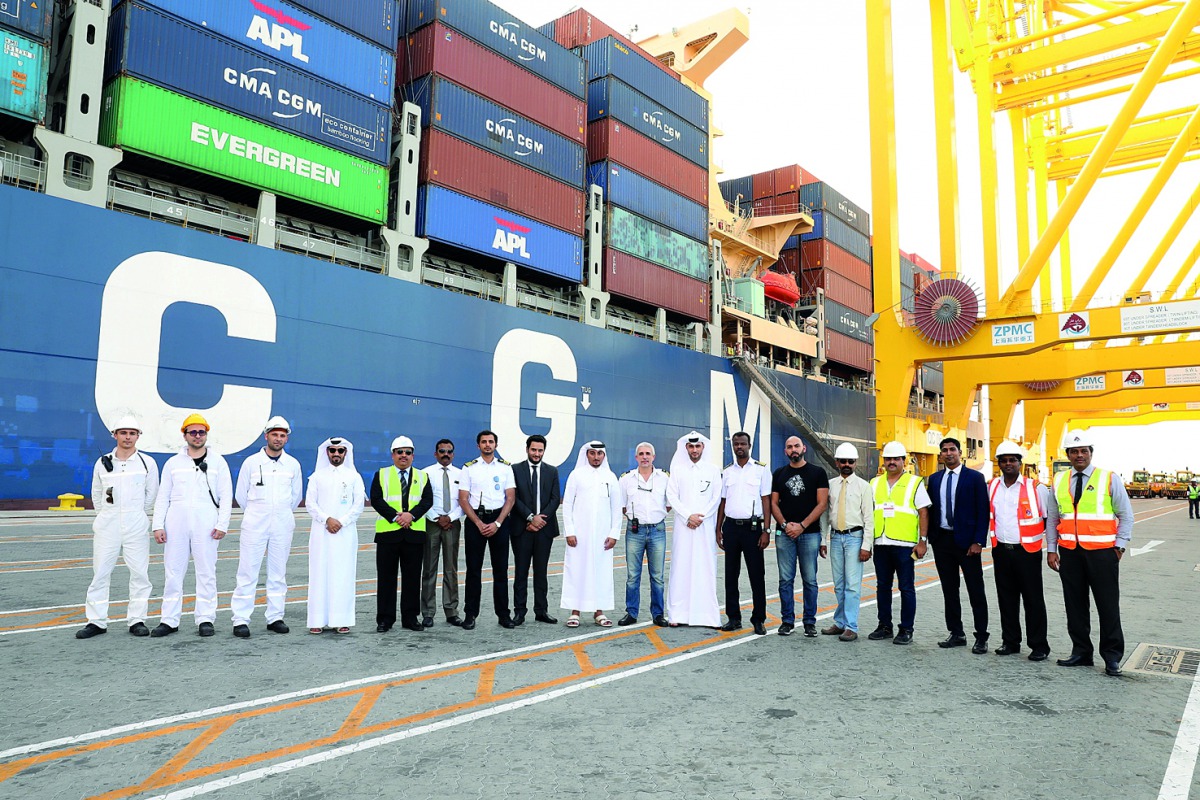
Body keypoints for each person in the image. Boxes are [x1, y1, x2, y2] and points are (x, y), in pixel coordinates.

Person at [1046, 429, 1134, 677]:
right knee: (1075, 605)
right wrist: (1051, 549)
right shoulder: (1059, 481)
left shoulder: (1108, 478)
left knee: (1107, 606)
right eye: (1074, 451)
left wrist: (1120, 546)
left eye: (1084, 451)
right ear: (1068, 455)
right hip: (1070, 553)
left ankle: (1112, 657)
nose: (1079, 455)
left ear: (1091, 453)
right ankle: (1081, 652)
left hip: (1103, 553)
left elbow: (1125, 515)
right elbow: (1053, 518)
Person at [76, 415, 160, 639]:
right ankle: (97, 621)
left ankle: (137, 620)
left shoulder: (147, 463)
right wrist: (105, 515)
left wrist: (136, 513)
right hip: (108, 523)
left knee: (140, 573)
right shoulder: (102, 462)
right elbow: (96, 493)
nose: (128, 437)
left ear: (138, 436)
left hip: (136, 521)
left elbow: (151, 495)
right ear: (115, 435)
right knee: (101, 573)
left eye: (132, 433)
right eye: (123, 433)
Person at [151, 413, 233, 638]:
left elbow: (226, 496)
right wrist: (158, 525)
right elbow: (162, 496)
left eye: (202, 432)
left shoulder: (218, 462)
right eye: (193, 432)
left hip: (206, 521)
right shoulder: (173, 463)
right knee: (173, 572)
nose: (198, 436)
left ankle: (205, 618)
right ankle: (169, 620)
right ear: (184, 434)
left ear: (206, 434)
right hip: (176, 521)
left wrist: (222, 523)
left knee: (206, 572)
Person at [231, 416, 303, 638]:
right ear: (266, 436)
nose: (278, 439)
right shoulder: (251, 462)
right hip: (255, 522)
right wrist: (258, 512)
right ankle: (241, 620)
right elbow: (241, 495)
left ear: (286, 438)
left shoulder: (293, 464)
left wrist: (278, 512)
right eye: (275, 434)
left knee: (278, 572)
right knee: (247, 572)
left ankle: (275, 617)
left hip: (282, 522)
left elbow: (296, 496)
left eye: (282, 435)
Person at [926, 437, 991, 653]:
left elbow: (983, 511)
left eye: (952, 449)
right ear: (940, 454)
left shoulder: (975, 478)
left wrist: (978, 541)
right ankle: (956, 632)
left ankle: (981, 636)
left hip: (967, 543)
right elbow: (931, 510)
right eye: (944, 450)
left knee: (975, 589)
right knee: (949, 589)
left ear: (960, 452)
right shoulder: (934, 479)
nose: (948, 453)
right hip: (942, 541)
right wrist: (930, 538)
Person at [988, 441, 1050, 660]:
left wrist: (1052, 549)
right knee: (1006, 598)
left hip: (1028, 552)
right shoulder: (992, 487)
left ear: (1020, 463)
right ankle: (1010, 641)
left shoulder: (1036, 489)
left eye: (1012, 460)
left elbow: (1048, 520)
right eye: (1003, 461)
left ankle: (1039, 646)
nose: (1008, 464)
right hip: (1001, 551)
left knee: (1033, 599)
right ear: (999, 464)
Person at [867, 441, 930, 645]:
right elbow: (868, 513)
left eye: (896, 459)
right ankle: (884, 626)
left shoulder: (914, 482)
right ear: (883, 461)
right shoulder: (874, 483)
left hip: (905, 546)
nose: (892, 462)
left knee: (906, 587)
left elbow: (923, 512)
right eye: (888, 459)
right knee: (882, 587)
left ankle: (906, 630)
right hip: (881, 544)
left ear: (904, 461)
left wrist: (922, 541)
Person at [369, 436, 434, 633]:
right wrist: (396, 518)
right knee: (386, 579)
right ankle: (385, 619)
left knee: (412, 579)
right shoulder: (381, 474)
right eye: (399, 452)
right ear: (393, 455)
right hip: (389, 534)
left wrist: (411, 516)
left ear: (413, 455)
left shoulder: (422, 477)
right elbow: (376, 499)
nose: (403, 456)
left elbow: (427, 500)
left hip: (413, 535)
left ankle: (410, 617)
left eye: (407, 452)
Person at [770, 436, 829, 637]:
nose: (793, 449)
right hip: (785, 534)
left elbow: (822, 504)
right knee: (785, 580)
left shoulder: (818, 473)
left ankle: (809, 622)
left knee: (810, 580)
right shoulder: (778, 474)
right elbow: (773, 504)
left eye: (796, 446)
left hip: (809, 534)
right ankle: (787, 621)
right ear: (785, 451)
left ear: (804, 448)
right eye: (789, 447)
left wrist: (802, 526)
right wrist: (786, 526)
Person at [305, 437, 365, 634]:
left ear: (346, 453)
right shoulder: (316, 476)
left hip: (345, 533)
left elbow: (358, 505)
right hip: (321, 533)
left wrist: (342, 522)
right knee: (319, 574)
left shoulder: (354, 477)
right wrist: (327, 519)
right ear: (327, 453)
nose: (336, 454)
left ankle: (342, 619)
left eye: (340, 451)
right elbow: (310, 504)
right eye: (333, 451)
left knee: (343, 575)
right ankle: (317, 620)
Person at [458, 430, 517, 630]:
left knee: (500, 571)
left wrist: (498, 523)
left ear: (496, 445)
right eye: (483, 442)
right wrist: (478, 523)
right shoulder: (468, 468)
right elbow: (463, 499)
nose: (487, 445)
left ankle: (503, 615)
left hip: (499, 521)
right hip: (476, 522)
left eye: (491, 442)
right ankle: (470, 614)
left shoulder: (505, 468)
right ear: (478, 446)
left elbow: (510, 498)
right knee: (473, 571)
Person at [560, 441, 622, 627]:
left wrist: (614, 534)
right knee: (577, 569)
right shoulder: (576, 475)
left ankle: (599, 612)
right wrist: (569, 531)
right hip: (579, 534)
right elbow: (568, 504)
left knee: (601, 572)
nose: (596, 457)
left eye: (599, 454)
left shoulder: (610, 477)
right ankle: (575, 612)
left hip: (603, 535)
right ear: (586, 455)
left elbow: (616, 508)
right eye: (592, 453)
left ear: (604, 456)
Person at [717, 432, 772, 635]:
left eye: (743, 443)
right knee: (731, 575)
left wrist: (766, 530)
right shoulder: (727, 472)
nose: (739, 447)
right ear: (732, 446)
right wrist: (718, 529)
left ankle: (759, 619)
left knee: (757, 575)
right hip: (731, 528)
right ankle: (733, 618)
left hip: (753, 529)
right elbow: (723, 502)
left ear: (750, 445)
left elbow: (766, 501)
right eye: (736, 444)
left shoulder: (761, 470)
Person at [664, 431, 721, 627]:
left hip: (704, 528)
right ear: (686, 448)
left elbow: (716, 498)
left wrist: (700, 517)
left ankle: (707, 616)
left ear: (703, 447)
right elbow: (672, 496)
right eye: (691, 446)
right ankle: (677, 615)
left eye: (697, 446)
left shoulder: (713, 470)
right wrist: (688, 516)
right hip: (683, 527)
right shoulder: (678, 470)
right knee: (681, 568)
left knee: (705, 568)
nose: (694, 450)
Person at [819, 442, 873, 642]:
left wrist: (866, 546)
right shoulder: (831, 485)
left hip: (854, 538)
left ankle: (851, 626)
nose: (847, 464)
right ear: (837, 462)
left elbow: (869, 519)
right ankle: (840, 622)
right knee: (839, 584)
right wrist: (823, 540)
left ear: (855, 462)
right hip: (835, 537)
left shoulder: (864, 487)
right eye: (843, 461)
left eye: (850, 461)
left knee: (852, 585)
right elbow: (825, 514)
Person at [617, 442, 670, 627]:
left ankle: (658, 614)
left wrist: (656, 517)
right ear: (636, 457)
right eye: (641, 454)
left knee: (657, 576)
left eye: (648, 453)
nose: (645, 457)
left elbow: (669, 504)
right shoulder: (626, 479)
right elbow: (621, 505)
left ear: (653, 457)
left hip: (657, 530)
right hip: (635, 531)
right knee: (633, 575)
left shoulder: (664, 478)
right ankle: (631, 613)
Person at [511, 434, 561, 625]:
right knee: (521, 571)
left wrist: (540, 520)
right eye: (533, 450)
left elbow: (555, 499)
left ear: (543, 451)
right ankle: (520, 612)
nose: (536, 453)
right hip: (522, 528)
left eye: (540, 450)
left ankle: (541, 610)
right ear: (527, 449)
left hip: (544, 529)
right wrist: (531, 518)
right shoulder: (515, 469)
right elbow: (513, 497)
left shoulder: (552, 471)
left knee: (541, 571)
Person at [420, 439, 464, 628]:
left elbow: (464, 501)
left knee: (450, 569)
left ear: (453, 454)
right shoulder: (425, 473)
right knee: (429, 568)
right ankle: (428, 612)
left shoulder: (462, 474)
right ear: (435, 453)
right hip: (432, 523)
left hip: (452, 524)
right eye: (442, 451)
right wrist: (436, 518)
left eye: (449, 451)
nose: (445, 454)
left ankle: (451, 611)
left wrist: (451, 518)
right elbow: (421, 499)